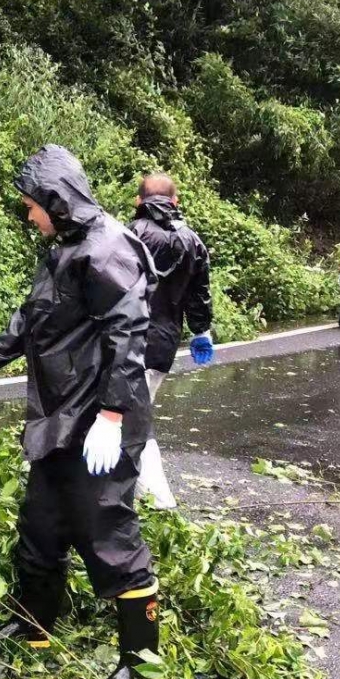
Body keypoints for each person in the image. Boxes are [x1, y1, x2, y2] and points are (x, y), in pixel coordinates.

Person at [0, 145, 159, 679]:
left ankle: (141, 663)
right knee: (40, 527)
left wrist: (112, 414)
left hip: (100, 420)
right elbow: (34, 317)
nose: (28, 216)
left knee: (108, 535)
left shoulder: (107, 249)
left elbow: (128, 338)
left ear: (55, 202)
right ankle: (34, 628)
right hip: (60, 417)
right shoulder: (64, 246)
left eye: (31, 206)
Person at [128, 173, 214, 509]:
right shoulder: (193, 241)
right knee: (132, 414)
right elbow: (200, 294)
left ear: (139, 201)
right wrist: (201, 332)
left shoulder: (129, 234)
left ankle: (157, 500)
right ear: (175, 202)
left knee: (130, 420)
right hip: (161, 346)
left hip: (124, 341)